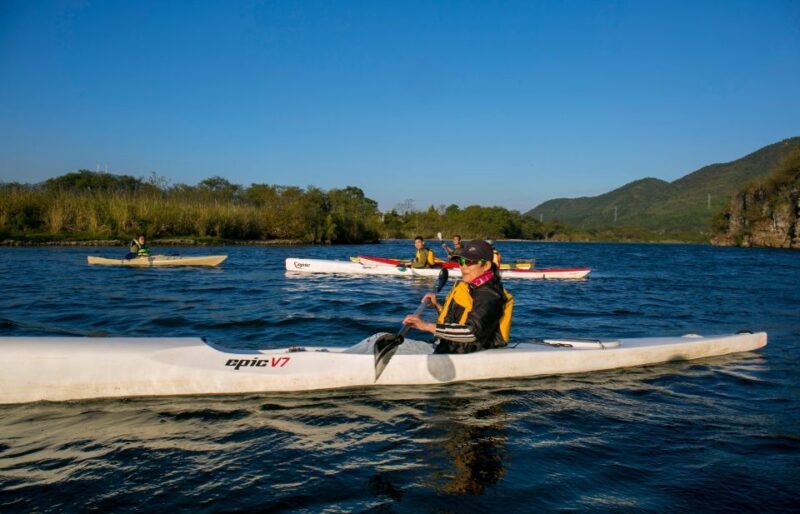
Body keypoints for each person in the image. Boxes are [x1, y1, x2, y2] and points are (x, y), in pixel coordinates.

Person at [403, 239, 514, 354]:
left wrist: (425, 326)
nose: (463, 267)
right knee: (384, 338)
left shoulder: (490, 295)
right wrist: (437, 305)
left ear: (486, 265)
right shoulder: (472, 287)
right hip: (452, 347)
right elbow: (458, 320)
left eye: (470, 262)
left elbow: (471, 332)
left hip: (466, 354)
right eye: (461, 261)